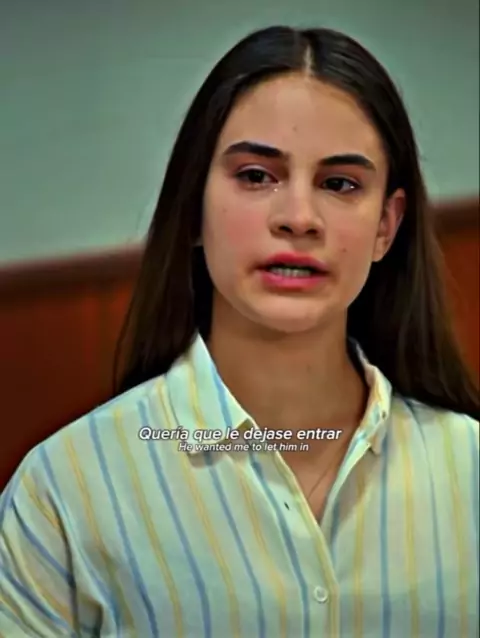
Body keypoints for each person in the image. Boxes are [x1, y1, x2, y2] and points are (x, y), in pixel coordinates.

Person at [1, 25, 478, 638]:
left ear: (386, 225)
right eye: (256, 176)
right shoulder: (65, 491)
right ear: (193, 208)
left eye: (339, 184)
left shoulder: (469, 468)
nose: (299, 218)